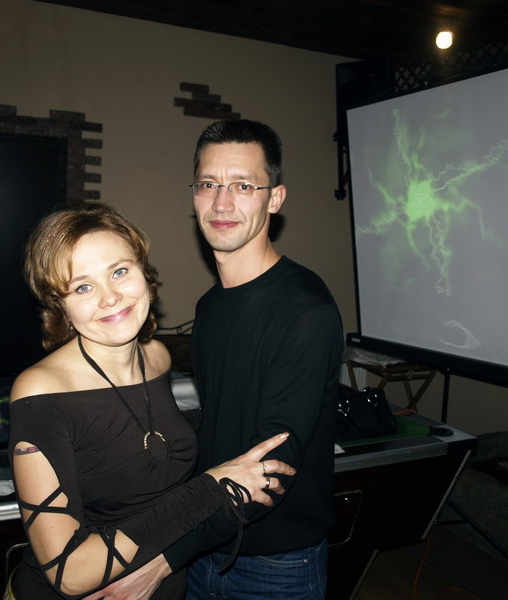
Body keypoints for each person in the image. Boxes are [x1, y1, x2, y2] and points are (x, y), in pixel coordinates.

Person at [5, 201, 296, 600]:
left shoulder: (156, 359)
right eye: (83, 287)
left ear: (144, 273)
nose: (110, 297)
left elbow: (145, 448)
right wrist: (212, 488)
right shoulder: (40, 391)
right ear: (61, 306)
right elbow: (69, 572)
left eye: (119, 271)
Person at [108, 119, 344, 599]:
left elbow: (270, 469)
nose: (221, 203)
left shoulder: (306, 310)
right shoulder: (210, 307)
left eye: (243, 185)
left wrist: (164, 559)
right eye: (209, 184)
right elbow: (222, 426)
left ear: (274, 199)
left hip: (275, 565)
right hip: (206, 544)